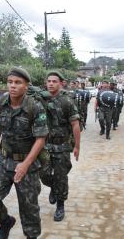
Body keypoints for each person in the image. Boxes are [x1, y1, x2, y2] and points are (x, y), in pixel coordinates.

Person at [0, 67, 48, 239]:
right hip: (5, 161)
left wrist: (25, 165)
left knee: (29, 208)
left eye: (18, 82)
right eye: (10, 82)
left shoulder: (35, 107)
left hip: (28, 164)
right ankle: (5, 221)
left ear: (26, 85)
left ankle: (31, 236)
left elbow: (41, 139)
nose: (13, 86)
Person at [39, 71, 80, 222]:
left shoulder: (67, 101)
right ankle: (53, 188)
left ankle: (60, 206)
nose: (50, 83)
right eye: (48, 81)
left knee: (61, 177)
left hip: (62, 145)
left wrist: (77, 147)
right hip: (45, 145)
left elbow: (75, 124)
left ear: (61, 83)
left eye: (54, 81)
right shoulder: (41, 99)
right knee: (43, 174)